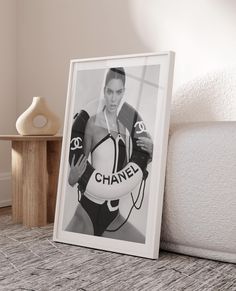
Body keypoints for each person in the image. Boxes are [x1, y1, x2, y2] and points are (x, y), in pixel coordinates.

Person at [66, 67, 153, 243]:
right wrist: (72, 177)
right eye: (110, 91)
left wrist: (149, 154)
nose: (113, 98)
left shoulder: (126, 129)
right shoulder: (92, 125)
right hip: (87, 212)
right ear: (104, 91)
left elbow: (127, 172)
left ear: (123, 93)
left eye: (118, 92)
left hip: (113, 216)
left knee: (143, 244)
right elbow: (77, 174)